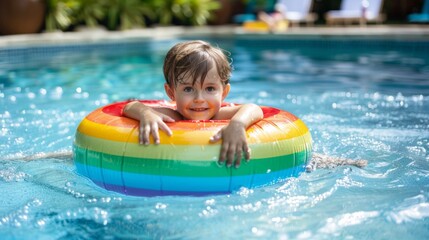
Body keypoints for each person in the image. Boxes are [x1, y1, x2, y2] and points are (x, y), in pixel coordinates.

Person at [122, 40, 264, 168]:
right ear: (171, 93)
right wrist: (146, 114)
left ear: (224, 92)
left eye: (210, 89)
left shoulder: (219, 116)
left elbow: (254, 108)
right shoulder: (173, 116)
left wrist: (238, 124)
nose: (199, 99)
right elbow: (130, 106)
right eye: (188, 89)